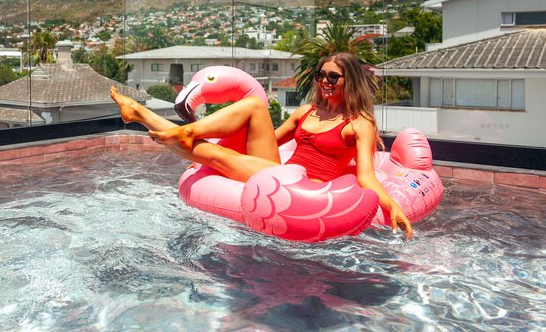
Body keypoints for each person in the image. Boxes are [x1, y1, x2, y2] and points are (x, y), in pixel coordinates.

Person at [111, 52, 413, 239]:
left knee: (214, 153)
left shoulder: (359, 123)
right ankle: (177, 129)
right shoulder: (306, 111)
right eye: (321, 75)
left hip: (305, 189)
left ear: (350, 81)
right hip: (280, 172)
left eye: (334, 76)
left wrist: (393, 207)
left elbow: (367, 177)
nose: (325, 81)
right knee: (255, 106)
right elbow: (267, 138)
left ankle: (144, 115)